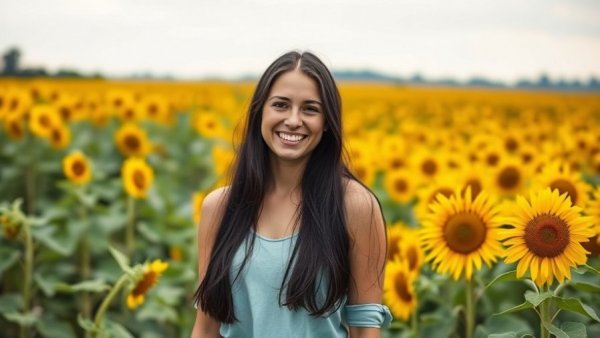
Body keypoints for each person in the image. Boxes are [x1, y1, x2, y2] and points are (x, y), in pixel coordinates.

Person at [191, 51, 392, 338]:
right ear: (260, 111)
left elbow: (364, 329)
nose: (293, 120)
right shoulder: (219, 208)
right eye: (281, 105)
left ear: (327, 122)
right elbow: (206, 328)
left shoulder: (355, 206)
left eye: (310, 109)